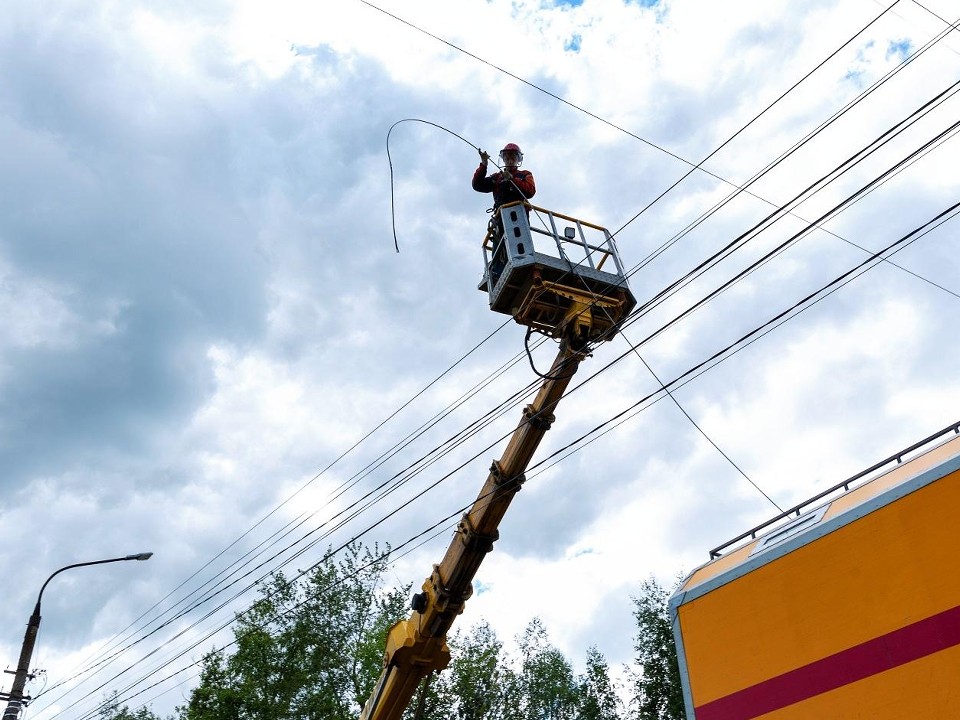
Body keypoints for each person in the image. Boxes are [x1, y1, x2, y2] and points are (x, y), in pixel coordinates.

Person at [472, 143, 536, 209]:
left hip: (520, 215)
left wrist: (512, 180)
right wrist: (483, 165)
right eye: (507, 158)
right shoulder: (497, 177)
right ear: (503, 160)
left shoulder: (525, 174)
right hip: (501, 216)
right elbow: (477, 185)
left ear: (518, 160)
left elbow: (531, 191)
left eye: (513, 158)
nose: (510, 161)